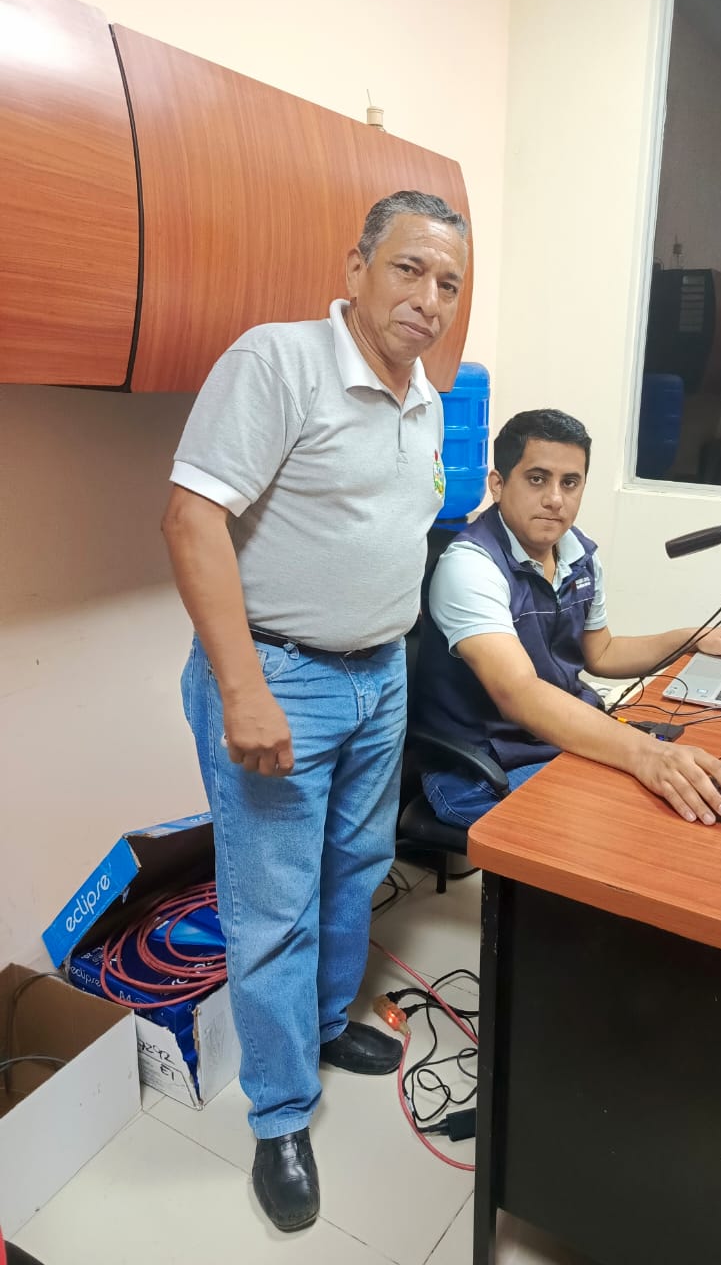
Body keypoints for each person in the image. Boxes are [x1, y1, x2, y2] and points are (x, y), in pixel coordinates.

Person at [161, 190, 469, 1232]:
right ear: (356, 268)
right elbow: (192, 517)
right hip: (280, 673)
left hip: (380, 674)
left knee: (355, 868)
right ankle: (281, 1113)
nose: (429, 299)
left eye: (448, 283)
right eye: (409, 269)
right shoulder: (278, 362)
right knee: (274, 905)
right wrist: (242, 686)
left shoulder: (426, 396)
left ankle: (329, 1022)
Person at [414, 409, 721, 829]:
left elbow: (601, 652)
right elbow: (519, 693)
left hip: (553, 743)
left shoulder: (577, 554)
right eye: (537, 479)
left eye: (570, 483)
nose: (555, 499)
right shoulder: (471, 566)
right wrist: (646, 753)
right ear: (498, 484)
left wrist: (693, 638)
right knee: (637, 824)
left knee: (684, 798)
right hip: (482, 769)